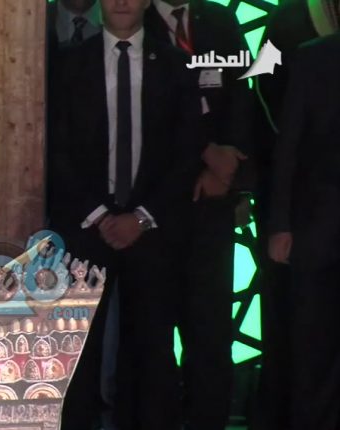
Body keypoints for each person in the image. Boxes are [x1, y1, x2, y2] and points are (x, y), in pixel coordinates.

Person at [47, 0, 205, 426]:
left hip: (152, 232)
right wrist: (100, 215)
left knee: (152, 351)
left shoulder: (175, 66)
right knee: (78, 350)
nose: (121, 2)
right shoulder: (67, 64)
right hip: (84, 230)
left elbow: (187, 153)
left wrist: (141, 218)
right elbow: (55, 149)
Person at [145, 0, 253, 428]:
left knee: (210, 332)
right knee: (152, 338)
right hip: (153, 210)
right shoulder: (133, 21)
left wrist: (230, 174)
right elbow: (148, 112)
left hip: (214, 205)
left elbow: (242, 99)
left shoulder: (221, 20)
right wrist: (203, 158)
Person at [267, 32, 340, 430]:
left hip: (317, 226)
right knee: (314, 348)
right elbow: (289, 144)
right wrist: (280, 223)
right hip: (317, 227)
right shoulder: (313, 58)